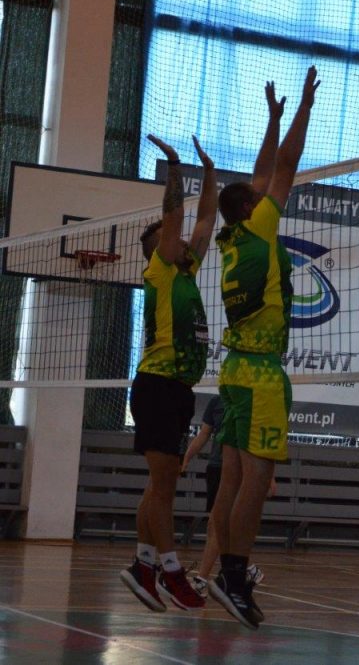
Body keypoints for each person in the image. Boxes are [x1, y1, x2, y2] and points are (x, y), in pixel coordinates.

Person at [207, 69, 318, 630]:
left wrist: (271, 119)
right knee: (255, 480)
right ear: (252, 209)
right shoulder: (259, 227)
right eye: (259, 197)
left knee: (231, 479)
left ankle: (224, 573)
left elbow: (260, 173)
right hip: (259, 374)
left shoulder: (230, 237)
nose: (265, 192)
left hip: (232, 370)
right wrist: (302, 109)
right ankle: (235, 576)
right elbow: (285, 166)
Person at [120, 134, 217, 612]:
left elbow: (205, 221)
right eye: (171, 238)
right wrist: (176, 166)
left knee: (159, 486)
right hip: (157, 385)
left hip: (177, 389)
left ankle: (142, 566)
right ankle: (172, 571)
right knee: (165, 489)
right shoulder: (159, 270)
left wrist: (211, 174)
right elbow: (177, 217)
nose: (180, 240)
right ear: (159, 248)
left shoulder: (185, 271)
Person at [180, 394, 267, 597]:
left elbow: (259, 441)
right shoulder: (216, 402)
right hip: (215, 468)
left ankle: (202, 580)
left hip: (236, 468)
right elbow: (204, 434)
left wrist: (268, 476)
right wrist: (187, 457)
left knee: (217, 523)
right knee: (219, 524)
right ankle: (246, 568)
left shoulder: (250, 401)